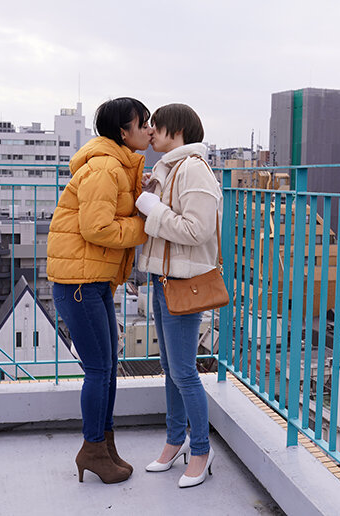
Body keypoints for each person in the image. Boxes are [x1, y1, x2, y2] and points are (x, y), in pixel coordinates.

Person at [47, 97, 151, 484]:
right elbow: (97, 228)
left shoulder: (118, 165)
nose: (149, 130)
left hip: (93, 280)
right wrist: (146, 226)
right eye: (143, 123)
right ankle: (92, 448)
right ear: (123, 132)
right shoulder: (106, 167)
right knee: (98, 369)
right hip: (79, 283)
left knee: (108, 368)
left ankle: (104, 446)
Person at [134, 103, 222, 488]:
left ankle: (201, 449)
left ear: (179, 129)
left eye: (158, 124)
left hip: (183, 280)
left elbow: (197, 230)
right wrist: (152, 193)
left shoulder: (194, 170)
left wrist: (153, 209)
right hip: (163, 277)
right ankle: (175, 441)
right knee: (170, 367)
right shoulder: (172, 169)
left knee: (184, 371)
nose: (151, 130)